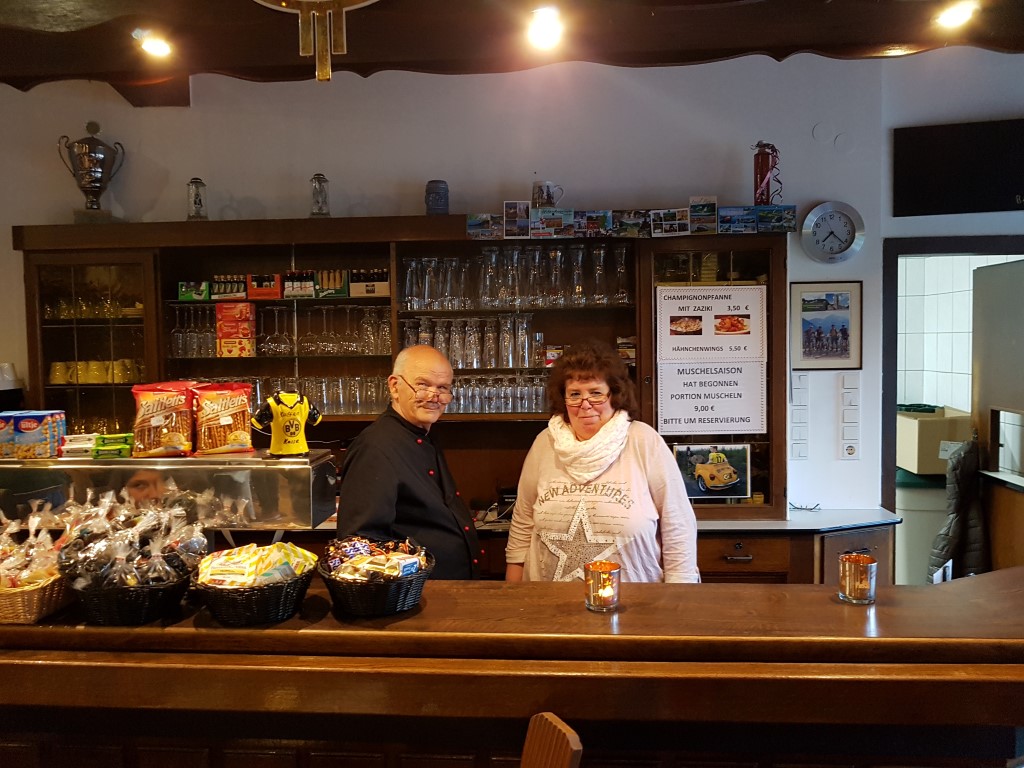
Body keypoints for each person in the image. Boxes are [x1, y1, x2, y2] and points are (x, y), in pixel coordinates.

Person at [505, 341, 699, 583]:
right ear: (563, 399)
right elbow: (522, 522)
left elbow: (678, 524)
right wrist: (513, 593)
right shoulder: (545, 443)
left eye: (595, 393)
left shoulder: (644, 441)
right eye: (575, 394)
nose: (585, 404)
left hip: (636, 599)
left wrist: (680, 592)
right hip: (547, 599)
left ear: (614, 395)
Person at [335, 344, 480, 579]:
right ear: (395, 386)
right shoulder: (375, 447)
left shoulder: (422, 433)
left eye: (442, 388)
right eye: (422, 385)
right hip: (417, 593)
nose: (434, 397)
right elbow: (361, 543)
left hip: (444, 589)